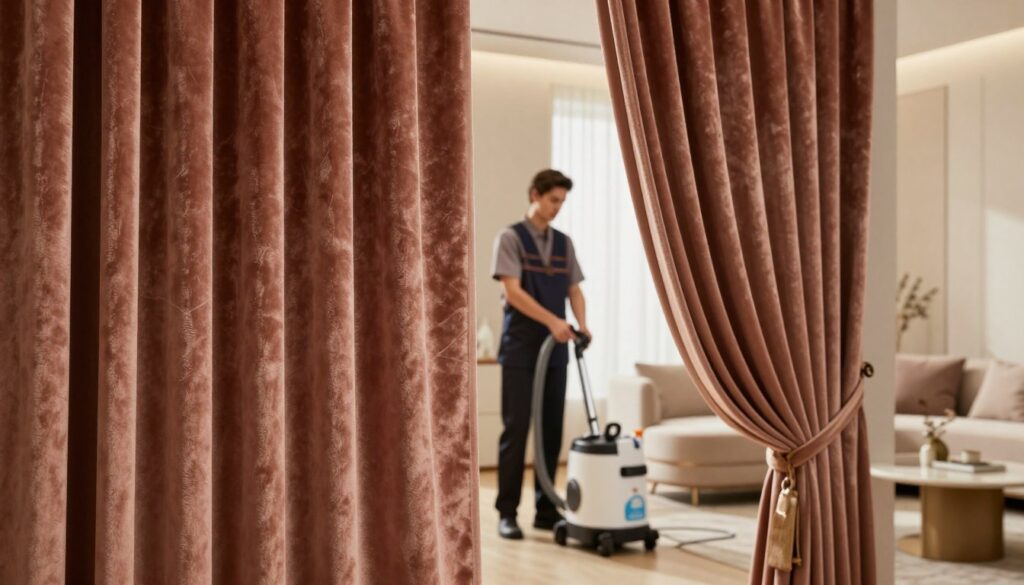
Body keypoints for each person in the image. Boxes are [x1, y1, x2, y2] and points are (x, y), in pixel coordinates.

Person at [490, 169, 590, 540]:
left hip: (557, 350)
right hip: (521, 348)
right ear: (535, 194)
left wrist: (582, 324)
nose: (557, 208)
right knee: (516, 430)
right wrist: (554, 321)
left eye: (562, 202)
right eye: (553, 200)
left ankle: (546, 510)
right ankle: (507, 512)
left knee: (551, 430)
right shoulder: (510, 238)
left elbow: (574, 290)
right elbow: (513, 292)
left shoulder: (564, 243)